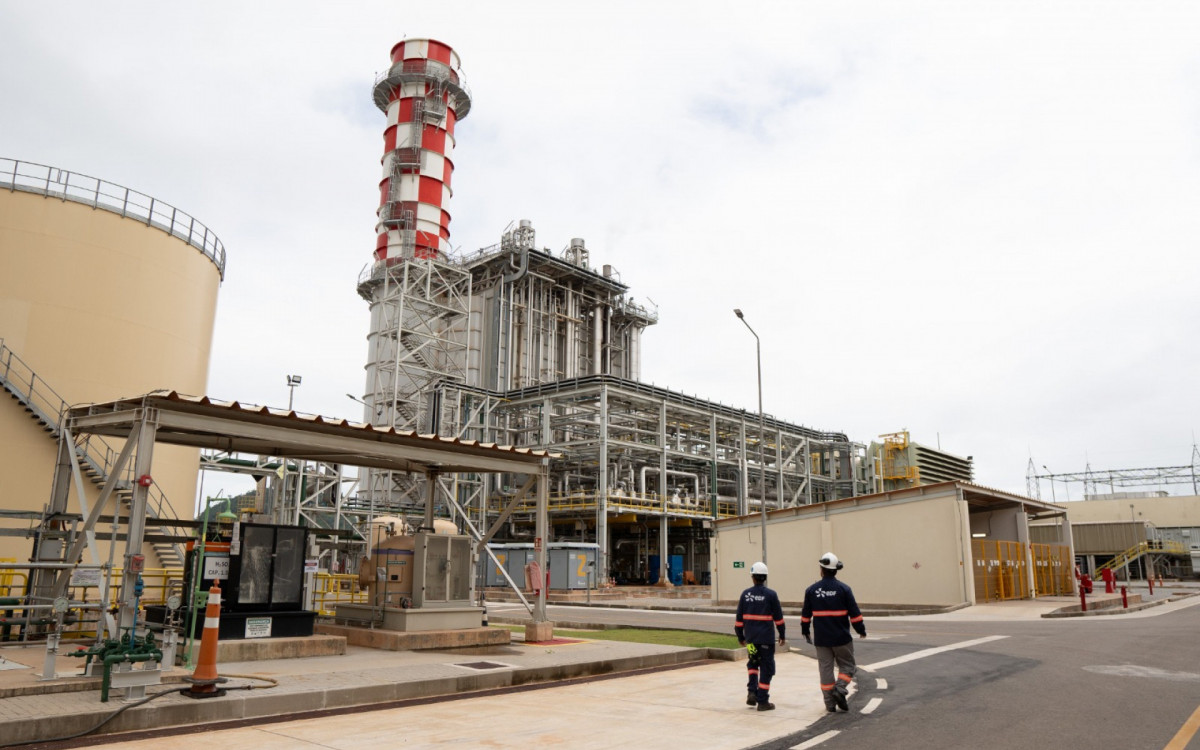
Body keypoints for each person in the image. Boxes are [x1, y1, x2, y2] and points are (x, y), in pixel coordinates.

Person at [800, 552, 866, 713]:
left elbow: (805, 615)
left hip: (822, 639)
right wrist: (861, 630)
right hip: (841, 638)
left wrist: (805, 631)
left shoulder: (812, 590)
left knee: (825, 670)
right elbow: (855, 614)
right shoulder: (844, 589)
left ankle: (830, 704)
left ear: (822, 570)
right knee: (848, 666)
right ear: (836, 570)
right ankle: (840, 688)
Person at [734, 561, 786, 711]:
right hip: (766, 641)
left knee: (753, 663)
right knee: (767, 668)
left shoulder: (746, 594)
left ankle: (752, 691)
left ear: (753, 577)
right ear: (765, 577)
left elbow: (739, 620)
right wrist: (782, 634)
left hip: (751, 640)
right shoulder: (771, 595)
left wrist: (741, 637)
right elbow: (779, 618)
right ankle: (762, 701)